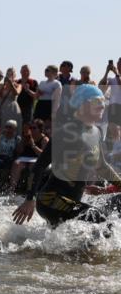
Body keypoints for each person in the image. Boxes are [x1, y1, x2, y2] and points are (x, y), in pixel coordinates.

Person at [13, 84, 121, 227]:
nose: (102, 105)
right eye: (96, 102)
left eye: (102, 101)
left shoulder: (96, 132)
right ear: (82, 106)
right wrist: (29, 198)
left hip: (71, 201)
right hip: (50, 200)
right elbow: (40, 165)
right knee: (98, 218)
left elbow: (102, 166)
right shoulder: (65, 132)